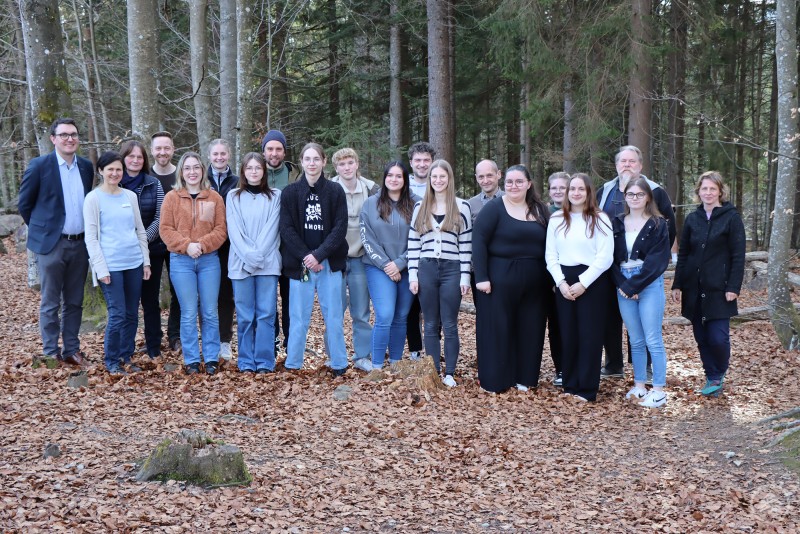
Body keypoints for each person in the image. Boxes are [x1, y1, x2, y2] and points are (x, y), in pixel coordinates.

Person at [18, 118, 94, 367]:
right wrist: (44, 231)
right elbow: (24, 205)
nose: (69, 139)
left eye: (73, 134)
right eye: (63, 135)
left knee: (74, 301)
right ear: (53, 139)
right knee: (50, 301)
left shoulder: (85, 166)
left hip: (80, 244)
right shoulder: (40, 166)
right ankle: (51, 352)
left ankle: (71, 350)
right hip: (51, 245)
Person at [597, 145, 676, 379]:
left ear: (640, 166)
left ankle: (645, 369)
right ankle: (613, 364)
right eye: (623, 161)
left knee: (644, 325)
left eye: (632, 161)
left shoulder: (655, 191)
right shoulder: (605, 190)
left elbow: (668, 228)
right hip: (612, 268)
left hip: (646, 271)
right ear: (616, 165)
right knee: (611, 317)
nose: (627, 165)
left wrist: (652, 262)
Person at [472, 165, 550, 393]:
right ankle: (496, 379)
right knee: (498, 329)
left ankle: (525, 377)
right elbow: (479, 242)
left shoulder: (540, 210)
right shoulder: (494, 208)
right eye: (509, 182)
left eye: (519, 181)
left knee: (531, 328)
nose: (513, 186)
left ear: (528, 184)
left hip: (536, 282)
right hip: (497, 281)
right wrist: (482, 277)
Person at [672, 171, 745, 398]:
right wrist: (677, 284)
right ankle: (711, 375)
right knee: (701, 337)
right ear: (698, 192)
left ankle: (719, 372)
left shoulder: (731, 218)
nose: (708, 193)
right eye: (704, 189)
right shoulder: (693, 219)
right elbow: (684, 254)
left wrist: (733, 287)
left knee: (718, 337)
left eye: (713, 189)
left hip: (719, 289)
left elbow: (738, 255)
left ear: (721, 191)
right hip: (694, 288)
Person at [279, 143, 349, 376]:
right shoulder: (290, 193)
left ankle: (339, 364)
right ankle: (293, 364)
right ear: (301, 161)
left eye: (316, 159)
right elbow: (287, 229)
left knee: (334, 317)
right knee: (298, 318)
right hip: (301, 265)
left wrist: (319, 255)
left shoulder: (335, 191)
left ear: (323, 161)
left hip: (329, 263)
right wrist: (307, 257)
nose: (311, 163)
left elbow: (340, 228)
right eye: (307, 159)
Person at [545, 173, 613, 402]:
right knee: (568, 334)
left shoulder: (600, 218)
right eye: (572, 189)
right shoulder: (556, 219)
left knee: (589, 336)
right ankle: (570, 385)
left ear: (588, 192)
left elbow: (605, 257)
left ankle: (586, 388)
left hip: (592, 282)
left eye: (580, 189)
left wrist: (583, 283)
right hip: (564, 281)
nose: (575, 193)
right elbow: (550, 255)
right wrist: (561, 283)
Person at [159, 152, 227, 375]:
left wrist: (203, 245)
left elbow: (221, 230)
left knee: (209, 311)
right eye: (187, 168)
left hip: (209, 261)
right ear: (181, 172)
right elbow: (165, 229)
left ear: (202, 170)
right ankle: (192, 360)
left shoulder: (214, 198)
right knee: (188, 312)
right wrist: (187, 245)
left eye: (196, 167)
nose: (192, 172)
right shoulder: (172, 197)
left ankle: (210, 358)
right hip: (181, 261)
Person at [83, 151, 151, 375]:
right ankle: (111, 360)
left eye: (118, 169)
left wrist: (146, 262)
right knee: (118, 313)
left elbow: (140, 231)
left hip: (133, 263)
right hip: (110, 267)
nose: (114, 173)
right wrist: (100, 269)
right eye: (110, 169)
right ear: (101, 171)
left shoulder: (129, 196)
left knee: (132, 313)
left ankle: (126, 356)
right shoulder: (93, 198)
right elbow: (91, 238)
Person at [408, 159, 472, 387]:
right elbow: (413, 244)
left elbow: (466, 245)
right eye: (434, 177)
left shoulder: (461, 206)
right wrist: (413, 275)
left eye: (442, 177)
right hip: (426, 268)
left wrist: (465, 276)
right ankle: (434, 370)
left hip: (451, 268)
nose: (438, 180)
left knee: (450, 323)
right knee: (430, 323)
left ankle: (450, 373)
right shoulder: (420, 207)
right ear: (429, 179)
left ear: (449, 178)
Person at [611, 178, 671, 408]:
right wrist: (623, 285)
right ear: (624, 197)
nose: (635, 198)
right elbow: (610, 258)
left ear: (647, 197)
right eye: (630, 194)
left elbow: (657, 261)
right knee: (635, 339)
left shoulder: (658, 224)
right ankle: (639, 385)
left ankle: (658, 389)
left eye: (639, 194)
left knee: (652, 338)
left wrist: (633, 286)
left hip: (648, 284)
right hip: (622, 283)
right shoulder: (616, 222)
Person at [360, 161, 420, 369]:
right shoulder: (370, 204)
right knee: (385, 314)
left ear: (405, 180)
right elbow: (367, 238)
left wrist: (401, 263)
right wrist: (387, 265)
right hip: (378, 268)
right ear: (384, 178)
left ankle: (395, 362)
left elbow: (421, 238)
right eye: (390, 175)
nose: (393, 180)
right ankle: (376, 365)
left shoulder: (417, 204)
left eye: (398, 176)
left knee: (401, 316)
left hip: (408, 267)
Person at [226, 153, 282, 373]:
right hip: (240, 266)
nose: (254, 172)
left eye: (258, 168)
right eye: (249, 168)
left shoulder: (275, 196)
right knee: (246, 315)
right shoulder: (233, 196)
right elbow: (235, 231)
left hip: (268, 264)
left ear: (264, 171)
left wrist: (256, 256)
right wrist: (249, 258)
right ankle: (246, 361)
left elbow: (272, 230)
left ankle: (265, 361)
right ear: (243, 171)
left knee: (266, 314)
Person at [329, 148, 378, 372]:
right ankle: (334, 356)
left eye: (350, 163)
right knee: (334, 311)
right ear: (336, 168)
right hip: (335, 259)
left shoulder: (370, 188)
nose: (347, 167)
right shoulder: (329, 188)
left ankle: (362, 357)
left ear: (357, 164)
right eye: (342, 164)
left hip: (360, 258)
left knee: (361, 312)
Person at [119, 140, 166, 359]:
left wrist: (142, 241)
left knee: (150, 302)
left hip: (151, 251)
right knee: (125, 304)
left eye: (139, 157)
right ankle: (122, 347)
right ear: (123, 158)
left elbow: (160, 216)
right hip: (121, 253)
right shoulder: (114, 184)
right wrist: (129, 244)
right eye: (131, 157)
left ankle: (154, 346)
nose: (136, 160)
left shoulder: (153, 183)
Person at [262, 129, 295, 354]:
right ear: (263, 151)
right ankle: (270, 341)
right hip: (265, 248)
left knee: (290, 299)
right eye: (270, 149)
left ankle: (291, 343)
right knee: (267, 300)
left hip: (291, 248)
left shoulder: (296, 175)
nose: (274, 153)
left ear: (284, 152)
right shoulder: (253, 173)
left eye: (278, 149)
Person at [149, 131, 181, 352]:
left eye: (166, 148)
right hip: (150, 245)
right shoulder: (145, 175)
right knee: (149, 294)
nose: (162, 152)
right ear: (152, 150)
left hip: (177, 244)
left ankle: (175, 336)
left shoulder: (182, 175)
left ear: (173, 150)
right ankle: (153, 339)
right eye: (158, 148)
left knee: (178, 291)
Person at [207, 139, 238, 361]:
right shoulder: (200, 179)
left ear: (229, 155)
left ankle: (225, 340)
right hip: (206, 245)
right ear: (209, 156)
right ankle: (208, 338)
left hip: (230, 247)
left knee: (226, 295)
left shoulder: (237, 182)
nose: (219, 158)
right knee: (207, 295)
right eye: (215, 154)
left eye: (223, 154)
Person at [406, 142, 437, 360]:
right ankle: (415, 349)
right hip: (407, 252)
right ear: (411, 163)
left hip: (434, 254)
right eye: (418, 160)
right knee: (411, 307)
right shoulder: (401, 185)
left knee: (435, 308)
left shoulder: (438, 184)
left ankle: (434, 349)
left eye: (426, 160)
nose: (422, 164)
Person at [545, 171, 570, 386]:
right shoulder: (544, 213)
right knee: (555, 325)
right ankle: (560, 368)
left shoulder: (581, 212)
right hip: (549, 279)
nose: (558, 191)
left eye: (563, 187)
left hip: (575, 278)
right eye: (554, 188)